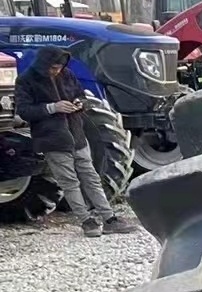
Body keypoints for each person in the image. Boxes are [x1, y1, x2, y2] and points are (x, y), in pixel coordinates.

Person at [14, 46, 136, 237]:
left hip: (77, 135)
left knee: (92, 178)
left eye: (59, 67)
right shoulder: (26, 80)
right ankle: (86, 221)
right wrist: (52, 108)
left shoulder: (67, 74)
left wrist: (80, 103)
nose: (57, 71)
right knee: (69, 182)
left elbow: (81, 95)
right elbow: (24, 111)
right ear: (43, 64)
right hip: (52, 140)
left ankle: (109, 218)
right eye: (53, 67)